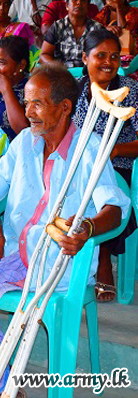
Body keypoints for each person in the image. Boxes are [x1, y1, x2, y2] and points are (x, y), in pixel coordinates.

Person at [0, 63, 129, 398]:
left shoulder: (90, 147)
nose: (28, 112)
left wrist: (87, 227)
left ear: (65, 107)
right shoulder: (25, 141)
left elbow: (117, 208)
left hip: (58, 261)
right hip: (12, 252)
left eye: (37, 103)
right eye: (26, 103)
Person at [74, 29, 138, 302]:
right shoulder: (73, 89)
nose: (109, 62)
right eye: (100, 55)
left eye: (114, 57)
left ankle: (102, 257)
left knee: (104, 184)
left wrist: (114, 151)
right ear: (85, 57)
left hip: (119, 162)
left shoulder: (129, 90)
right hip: (77, 165)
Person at [41, 0, 104, 68]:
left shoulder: (97, 29)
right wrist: (58, 68)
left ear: (88, 6)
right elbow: (44, 55)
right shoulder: (57, 27)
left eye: (83, 0)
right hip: (62, 75)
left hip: (89, 76)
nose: (79, 3)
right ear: (67, 6)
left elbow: (103, 55)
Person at [95, 0, 138, 73]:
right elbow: (95, 26)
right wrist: (106, 28)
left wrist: (118, 9)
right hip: (109, 49)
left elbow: (124, 30)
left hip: (129, 53)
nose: (110, 1)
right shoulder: (106, 11)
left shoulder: (133, 12)